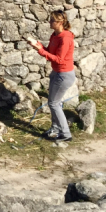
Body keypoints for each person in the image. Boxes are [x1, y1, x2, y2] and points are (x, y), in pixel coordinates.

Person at [28, 10, 75, 141]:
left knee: (53, 103)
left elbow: (59, 59)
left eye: (52, 20)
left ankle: (66, 134)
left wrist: (40, 51)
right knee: (55, 102)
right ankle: (55, 129)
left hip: (64, 74)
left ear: (60, 22)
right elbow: (49, 52)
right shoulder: (54, 35)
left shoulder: (65, 38)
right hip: (57, 72)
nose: (49, 22)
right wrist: (38, 46)